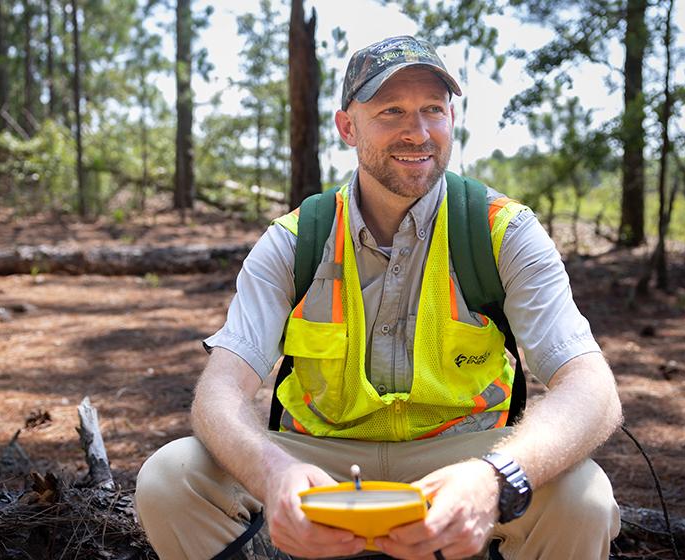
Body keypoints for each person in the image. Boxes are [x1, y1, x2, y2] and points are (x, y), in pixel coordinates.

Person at [135, 35, 622, 560]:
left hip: (464, 456)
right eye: (391, 111)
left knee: (583, 498)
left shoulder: (501, 230)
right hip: (321, 460)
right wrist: (273, 472)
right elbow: (220, 393)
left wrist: (493, 477)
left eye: (433, 109)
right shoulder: (296, 240)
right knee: (171, 478)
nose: (418, 132)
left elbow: (592, 389)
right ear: (348, 127)